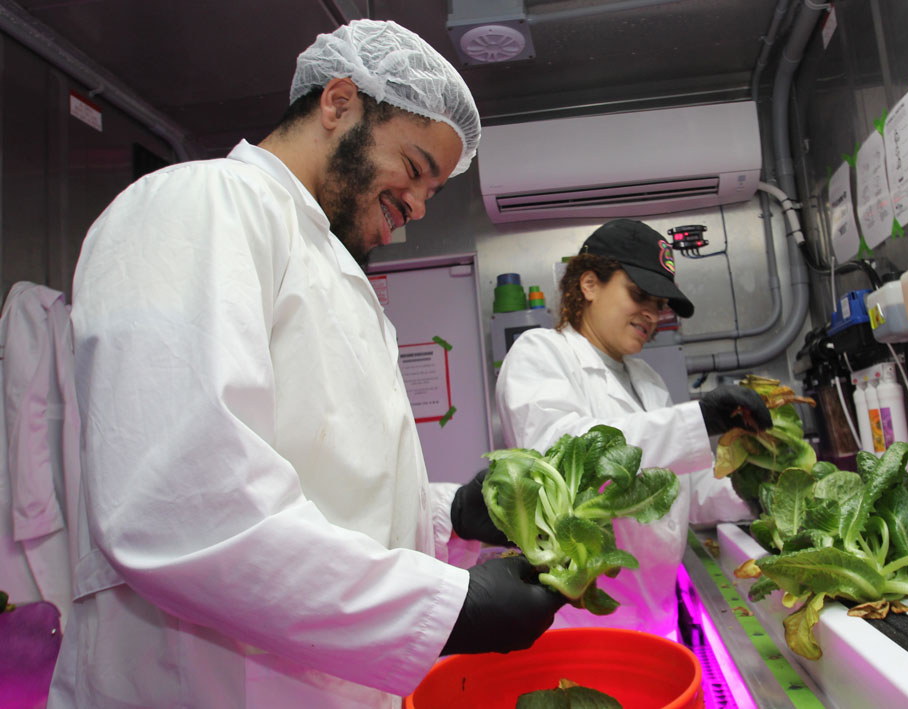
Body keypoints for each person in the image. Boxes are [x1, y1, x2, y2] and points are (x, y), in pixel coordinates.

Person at [50, 20, 563, 707]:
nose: (413, 207)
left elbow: (332, 494)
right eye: (415, 169)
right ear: (339, 102)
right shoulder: (202, 202)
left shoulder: (329, 268)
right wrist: (452, 605)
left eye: (432, 192)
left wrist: (453, 516)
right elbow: (185, 502)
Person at [495, 218, 773, 637]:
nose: (653, 314)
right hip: (580, 625)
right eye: (639, 295)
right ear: (589, 284)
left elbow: (683, 491)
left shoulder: (647, 380)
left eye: (660, 304)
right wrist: (701, 419)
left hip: (656, 616)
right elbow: (564, 456)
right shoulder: (540, 353)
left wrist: (755, 492)